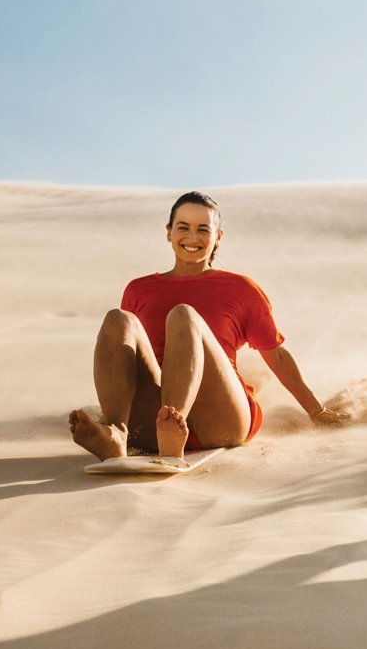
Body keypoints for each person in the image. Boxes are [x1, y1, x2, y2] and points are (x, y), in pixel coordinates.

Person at [67, 191, 351, 461]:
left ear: (218, 237)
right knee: (118, 319)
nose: (193, 237)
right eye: (183, 227)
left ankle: (172, 427)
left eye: (203, 229)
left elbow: (275, 354)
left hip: (221, 416)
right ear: (168, 232)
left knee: (183, 315)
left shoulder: (241, 288)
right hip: (152, 419)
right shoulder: (139, 290)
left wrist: (317, 411)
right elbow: (126, 362)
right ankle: (117, 432)